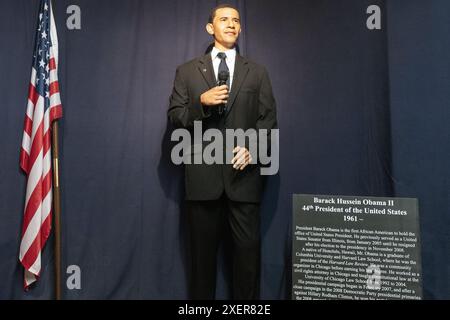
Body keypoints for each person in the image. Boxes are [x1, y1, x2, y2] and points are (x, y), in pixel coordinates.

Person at [168, 4, 277, 300]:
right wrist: (200, 102)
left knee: (247, 265)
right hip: (202, 185)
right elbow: (176, 117)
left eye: (236, 20)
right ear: (210, 27)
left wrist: (253, 149)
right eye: (224, 19)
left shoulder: (257, 73)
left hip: (244, 183)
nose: (231, 24)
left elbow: (268, 122)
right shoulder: (187, 71)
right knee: (201, 267)